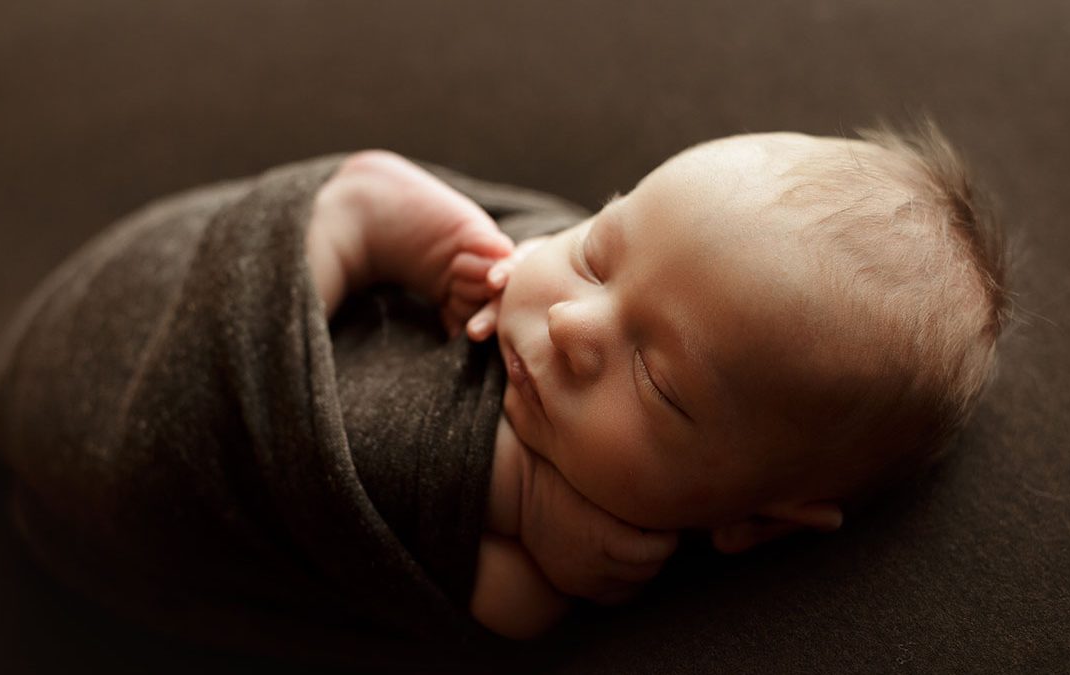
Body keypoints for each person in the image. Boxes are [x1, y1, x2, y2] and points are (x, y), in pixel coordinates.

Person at [306, 125, 1007, 638]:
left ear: (757, 520)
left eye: (658, 382)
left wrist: (512, 548)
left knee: (518, 608)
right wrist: (504, 254)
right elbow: (314, 441)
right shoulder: (527, 281)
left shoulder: (576, 573)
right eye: (595, 253)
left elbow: (358, 570)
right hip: (256, 287)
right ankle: (360, 222)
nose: (569, 325)